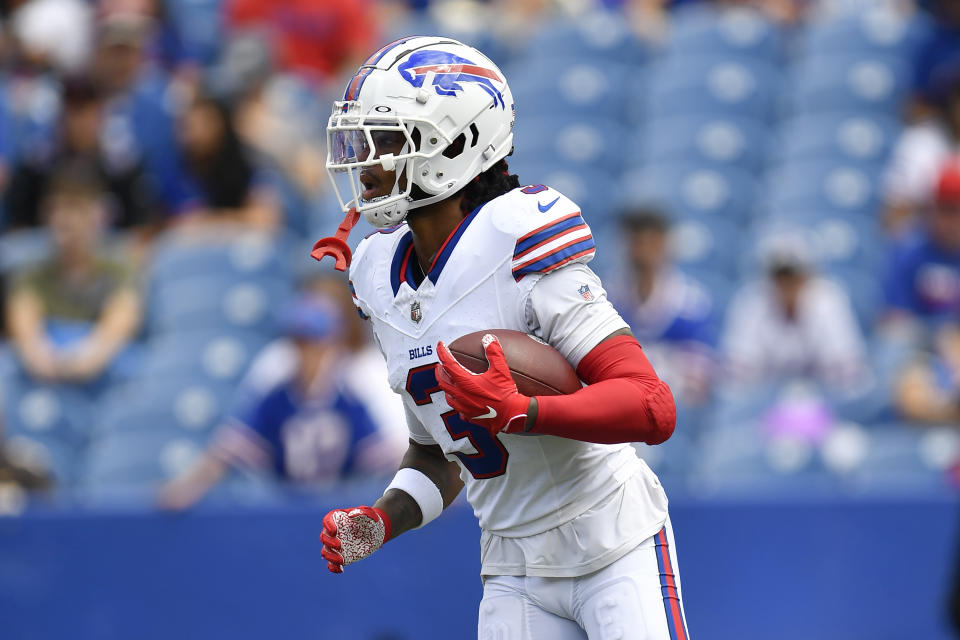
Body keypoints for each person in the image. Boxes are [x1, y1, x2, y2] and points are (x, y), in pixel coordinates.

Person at [315, 37, 688, 640]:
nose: (368, 162)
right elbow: (440, 454)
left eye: (388, 142)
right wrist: (380, 522)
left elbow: (651, 405)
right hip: (513, 568)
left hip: (612, 541)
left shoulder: (517, 238)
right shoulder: (379, 277)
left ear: (456, 143)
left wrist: (526, 411)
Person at [157, 294, 397, 510]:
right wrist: (189, 485)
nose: (305, 353)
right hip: (285, 513)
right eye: (298, 343)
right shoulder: (278, 398)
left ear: (329, 346)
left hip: (335, 514)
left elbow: (383, 456)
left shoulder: (348, 399)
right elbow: (230, 448)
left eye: (312, 343)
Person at [5, 162, 141, 383]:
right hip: (46, 376)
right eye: (56, 208)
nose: (64, 219)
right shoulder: (31, 274)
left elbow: (120, 323)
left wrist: (84, 361)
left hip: (99, 376)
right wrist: (43, 359)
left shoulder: (120, 270)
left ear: (98, 215)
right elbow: (26, 331)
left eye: (75, 208)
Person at [721, 234, 869, 391]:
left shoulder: (828, 299)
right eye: (780, 277)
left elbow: (846, 368)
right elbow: (738, 371)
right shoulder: (752, 300)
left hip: (822, 396)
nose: (787, 285)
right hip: (764, 400)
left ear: (807, 277)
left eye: (794, 277)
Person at [608, 207, 716, 407]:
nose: (642, 252)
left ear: (665, 243)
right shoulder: (607, 299)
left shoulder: (690, 304)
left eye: (651, 242)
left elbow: (701, 379)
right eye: (637, 242)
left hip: (674, 406)